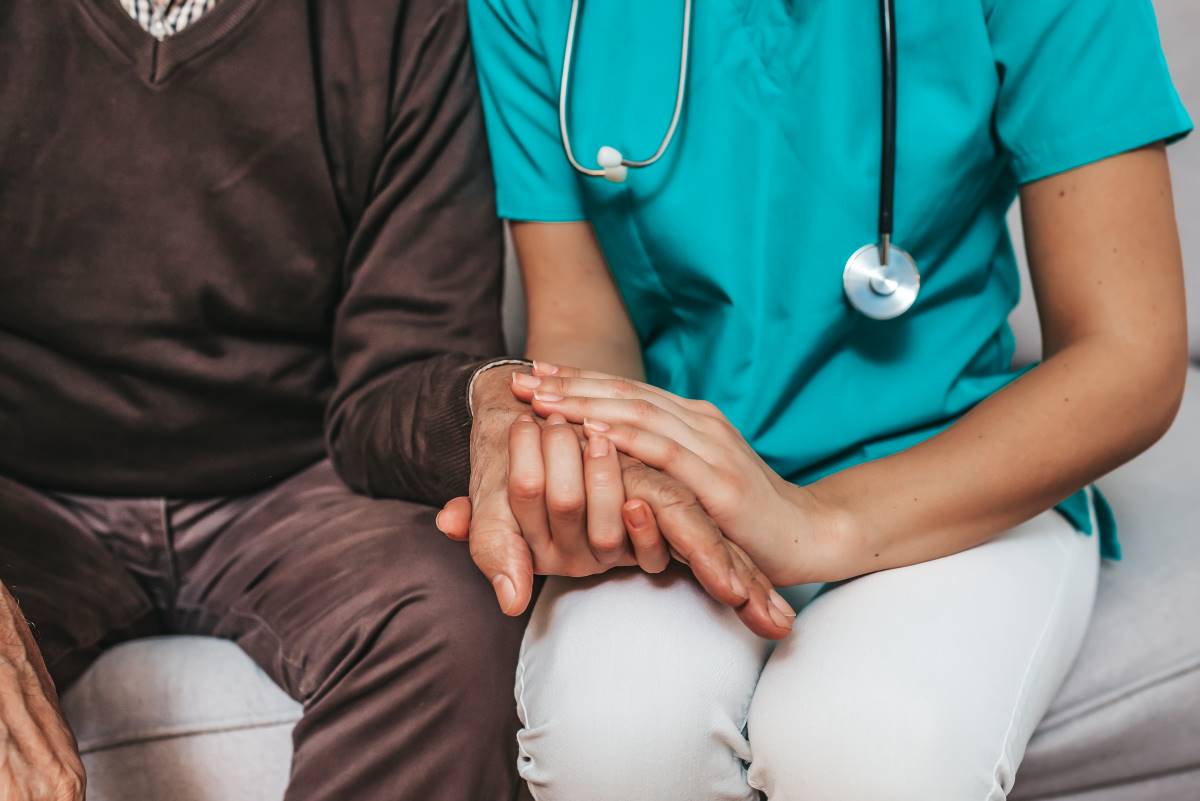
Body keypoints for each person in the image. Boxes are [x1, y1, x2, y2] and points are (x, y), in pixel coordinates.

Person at [0, 1, 776, 798]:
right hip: (17, 492)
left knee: (456, 622)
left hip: (298, 481)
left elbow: (404, 356)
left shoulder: (404, 16)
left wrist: (488, 417)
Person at [446, 0, 1194, 798]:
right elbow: (582, 324)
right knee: (611, 736)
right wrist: (582, 471)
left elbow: (1130, 356)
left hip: (957, 471)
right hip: (678, 499)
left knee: (866, 746)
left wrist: (819, 522)